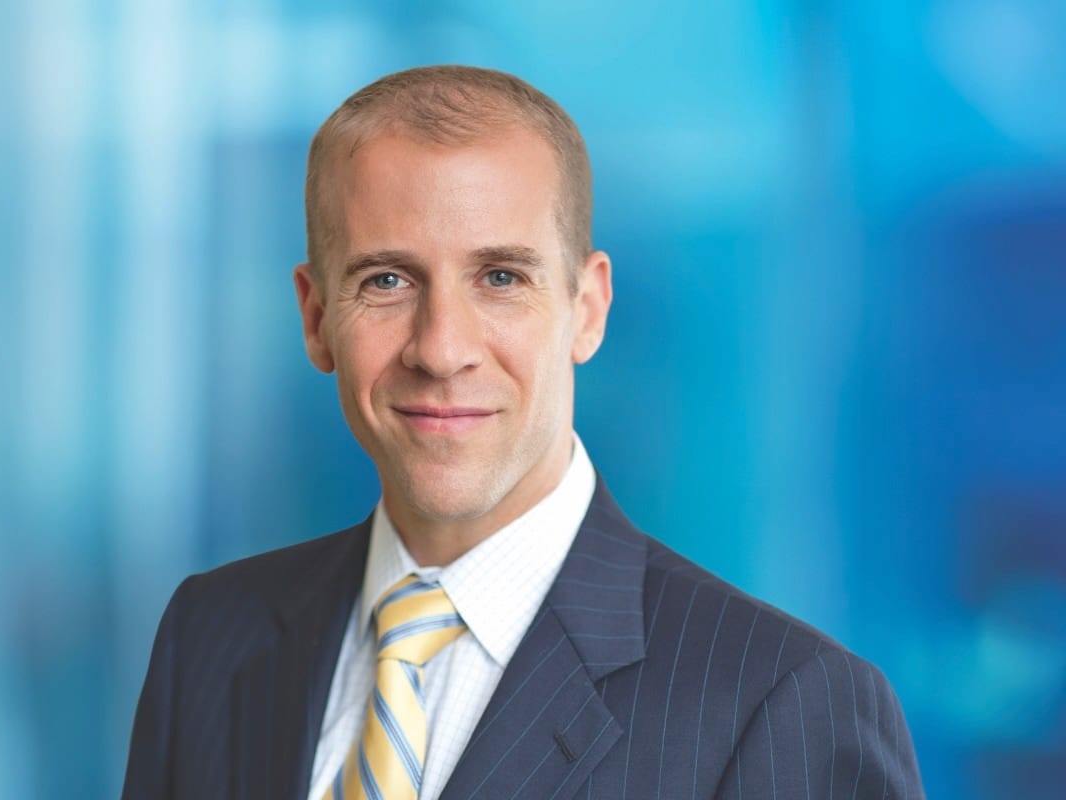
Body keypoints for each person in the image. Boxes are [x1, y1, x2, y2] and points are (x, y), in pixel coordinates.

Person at [122, 65, 924, 799]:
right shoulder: (211, 636)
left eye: (501, 278)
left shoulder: (785, 703)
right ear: (316, 315)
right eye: (388, 280)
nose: (442, 348)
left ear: (588, 308)